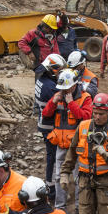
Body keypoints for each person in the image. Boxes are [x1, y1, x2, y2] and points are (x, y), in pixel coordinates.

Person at [43, 69, 92, 213]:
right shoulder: (58, 96)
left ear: (74, 85)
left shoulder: (85, 98)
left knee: (79, 177)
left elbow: (86, 118)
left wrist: (71, 104)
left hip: (79, 147)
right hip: (62, 146)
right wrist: (53, 102)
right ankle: (60, 208)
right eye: (62, 89)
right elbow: (45, 114)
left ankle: (79, 207)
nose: (64, 91)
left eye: (66, 88)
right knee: (59, 177)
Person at [35, 54, 66, 192]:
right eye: (58, 70)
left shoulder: (41, 80)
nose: (59, 73)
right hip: (49, 125)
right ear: (51, 69)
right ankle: (52, 188)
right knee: (53, 158)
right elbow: (60, 107)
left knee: (50, 156)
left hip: (43, 122)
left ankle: (50, 184)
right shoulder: (50, 87)